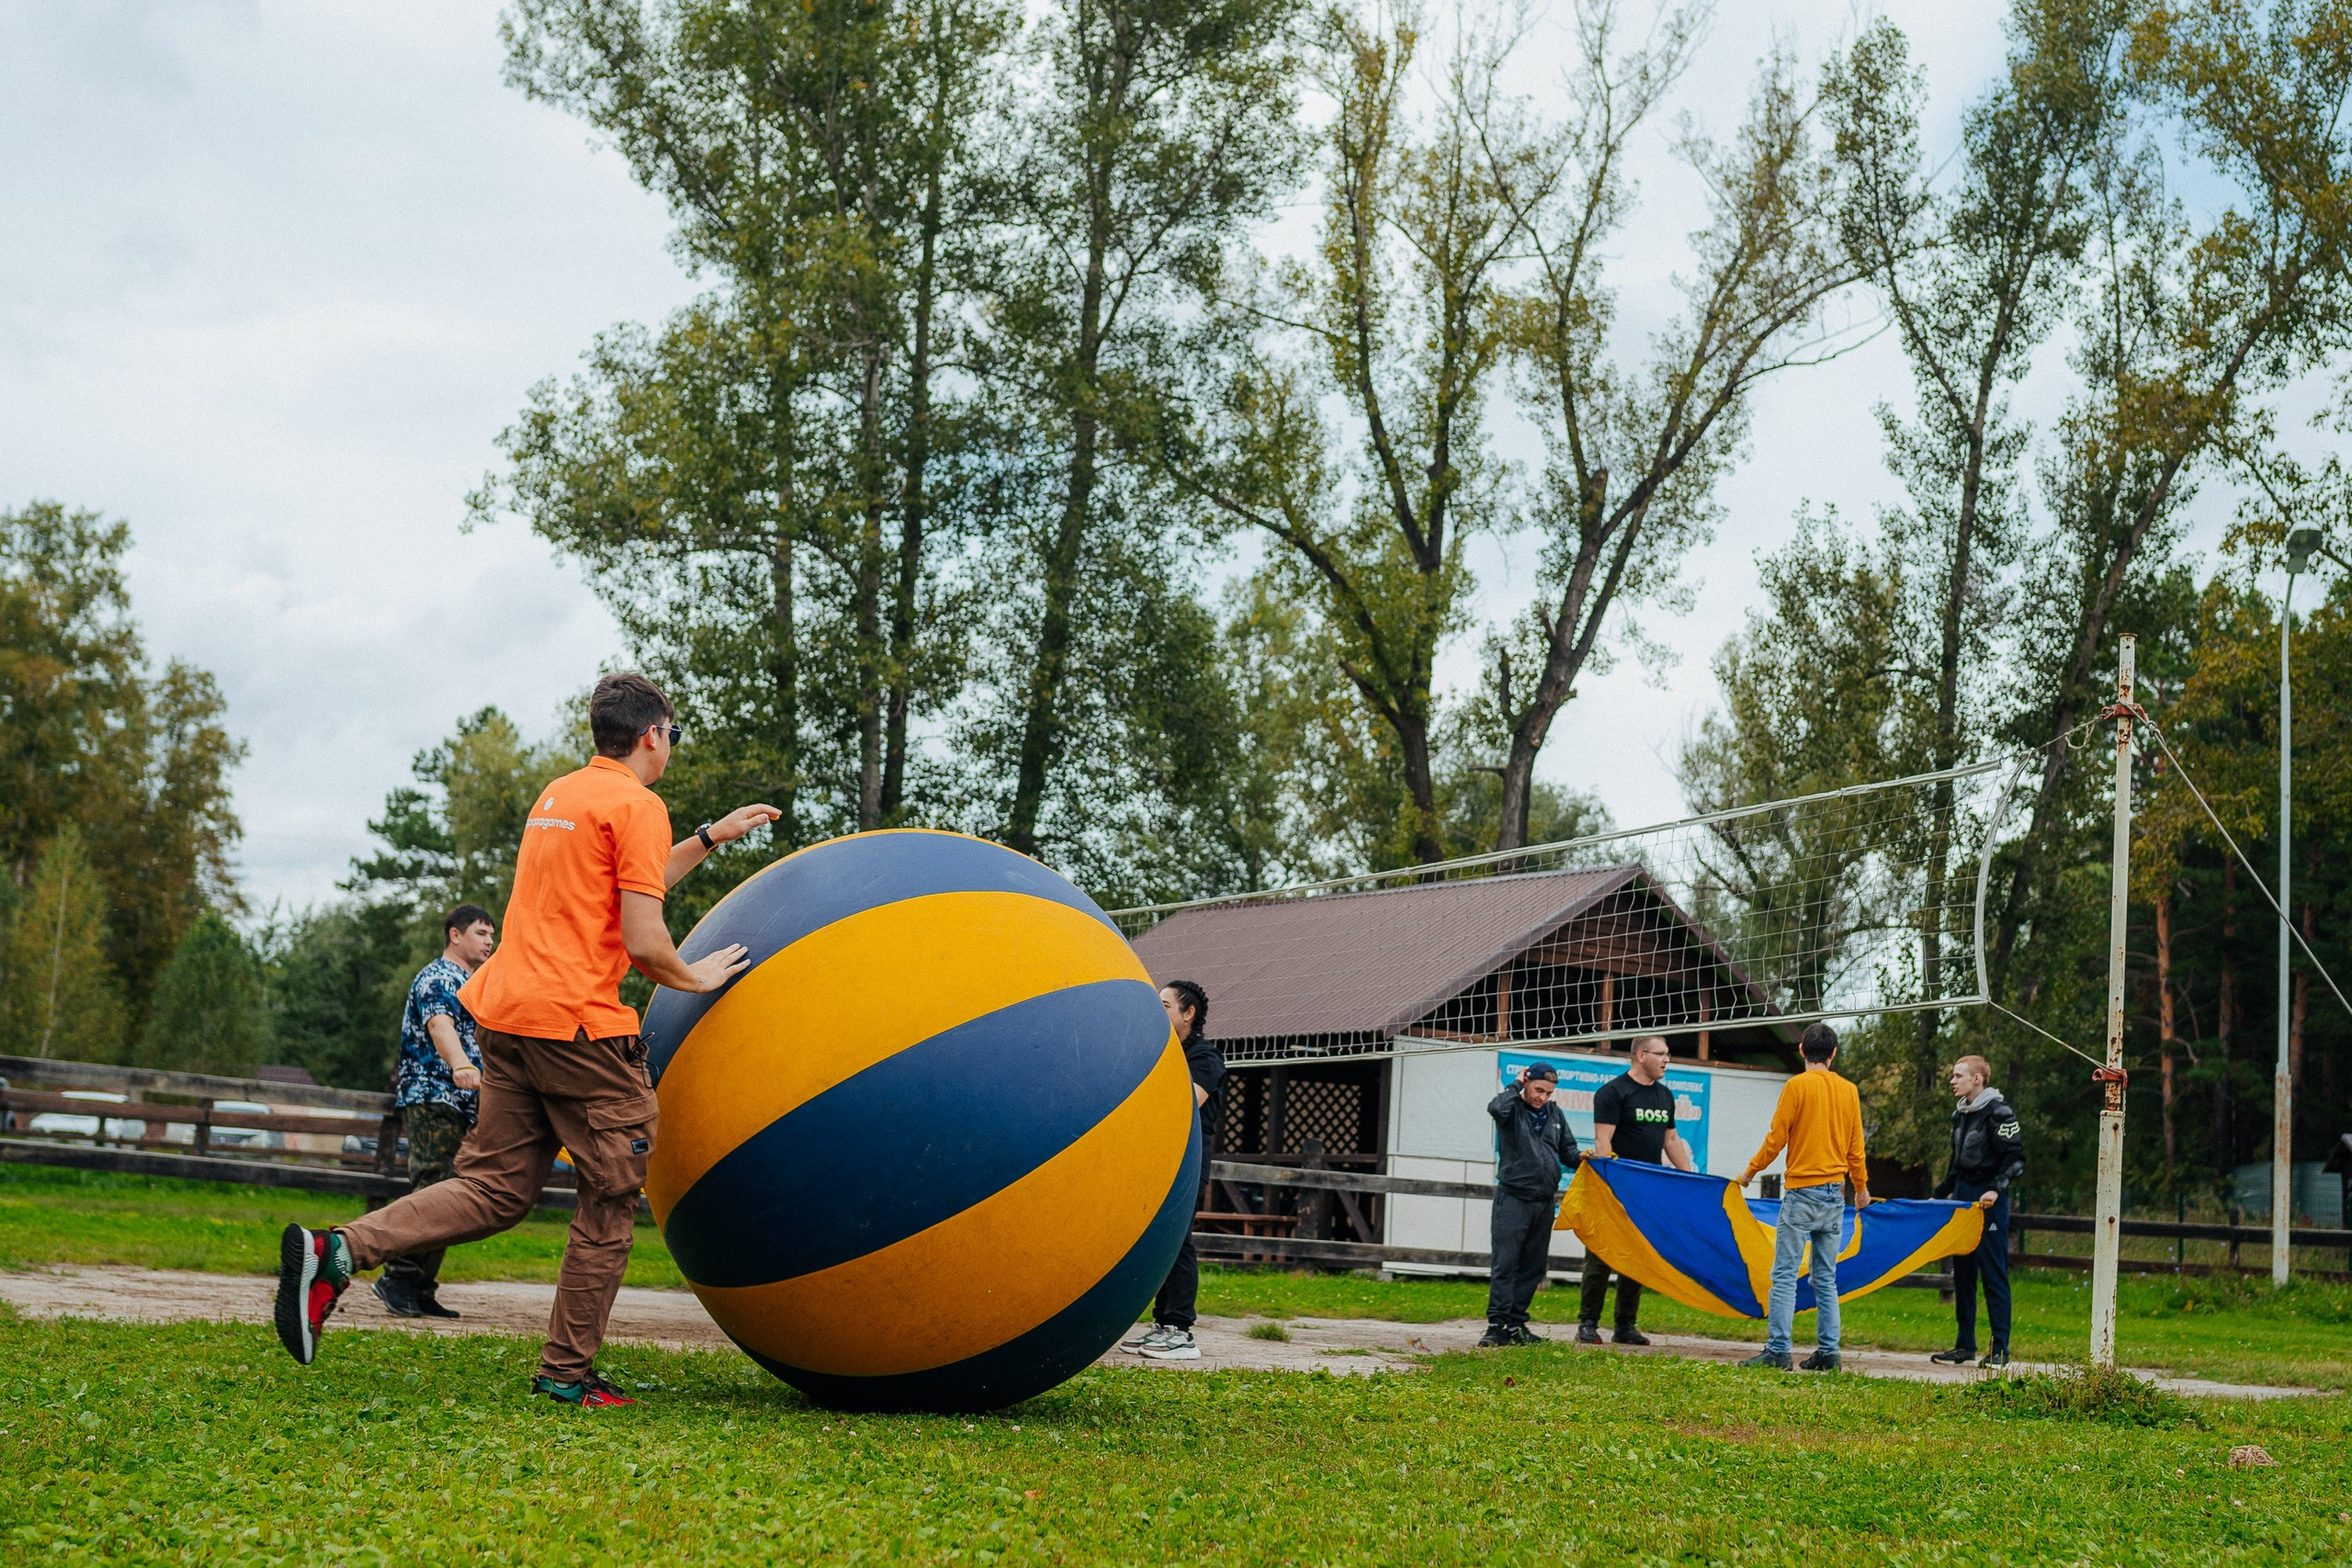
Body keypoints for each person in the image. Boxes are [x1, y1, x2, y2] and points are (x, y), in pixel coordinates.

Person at [275, 672, 779, 1408]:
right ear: (651, 736)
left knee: (493, 1188)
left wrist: (706, 837)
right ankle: (565, 1375)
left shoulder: (561, 796)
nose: (671, 746)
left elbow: (622, 889)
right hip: (576, 1029)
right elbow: (643, 936)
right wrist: (691, 976)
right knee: (610, 1195)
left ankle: (337, 1251)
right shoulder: (639, 805)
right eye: (673, 734)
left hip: (506, 1018)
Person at [374, 904, 498, 1319]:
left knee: (452, 1192)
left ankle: (420, 1286)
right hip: (433, 1095)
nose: (489, 941)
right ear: (455, 935)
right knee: (433, 1188)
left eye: (491, 935)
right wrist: (461, 1064)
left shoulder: (472, 983)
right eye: (481, 933)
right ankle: (398, 1278)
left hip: (461, 1101)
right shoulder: (439, 977)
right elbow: (439, 1025)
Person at [1737, 1022, 1871, 1372]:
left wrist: (1750, 1171)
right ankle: (1829, 1352)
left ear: (1801, 1051)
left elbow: (1776, 1138)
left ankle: (1779, 1350)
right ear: (1833, 1053)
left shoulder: (1796, 1086)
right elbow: (1856, 1148)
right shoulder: (1849, 1091)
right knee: (1825, 1278)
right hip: (1835, 1194)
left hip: (1802, 1192)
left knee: (1784, 1274)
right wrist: (1861, 1188)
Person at [1126, 979, 1226, 1361]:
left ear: (1188, 1014)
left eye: (1165, 1005)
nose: (1158, 1009)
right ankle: (1162, 1324)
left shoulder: (1205, 1057)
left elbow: (1184, 1103)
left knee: (1179, 1239)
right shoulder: (1159, 1051)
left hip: (1188, 1161)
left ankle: (1181, 1329)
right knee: (1160, 1239)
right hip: (1157, 1157)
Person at [1577, 1034, 1698, 1347]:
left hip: (1647, 1193)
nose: (1667, 1060)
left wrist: (1688, 1178)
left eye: (1668, 1054)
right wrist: (1609, 1181)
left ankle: (1625, 1326)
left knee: (1637, 1256)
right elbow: (1603, 1140)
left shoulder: (1665, 1096)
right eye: (1661, 1054)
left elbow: (1670, 1140)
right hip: (1615, 1188)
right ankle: (1588, 1323)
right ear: (1640, 1056)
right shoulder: (1612, 1093)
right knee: (1601, 1256)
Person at [1928, 1054, 2024, 1370]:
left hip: (1990, 1202)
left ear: (1977, 1079)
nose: (1953, 1081)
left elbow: (2016, 1159)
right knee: (1963, 1273)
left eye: (1959, 1076)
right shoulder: (1961, 1115)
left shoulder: (2000, 1112)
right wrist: (1938, 1196)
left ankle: (2000, 1350)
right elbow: (1957, 1165)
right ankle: (1964, 1346)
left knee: (1993, 1274)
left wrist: (1996, 1188)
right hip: (1964, 1199)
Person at [1481, 1061, 1580, 1348]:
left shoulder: (1555, 1114)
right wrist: (1514, 1084)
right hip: (1513, 1198)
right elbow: (1495, 1108)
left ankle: (1516, 1324)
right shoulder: (1511, 1109)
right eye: (1538, 1089)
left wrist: (1586, 1158)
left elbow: (1568, 1151)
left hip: (1544, 1201)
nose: (1542, 1097)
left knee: (1533, 1267)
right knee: (1506, 1263)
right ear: (1526, 1082)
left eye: (1548, 1093)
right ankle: (1495, 1325)